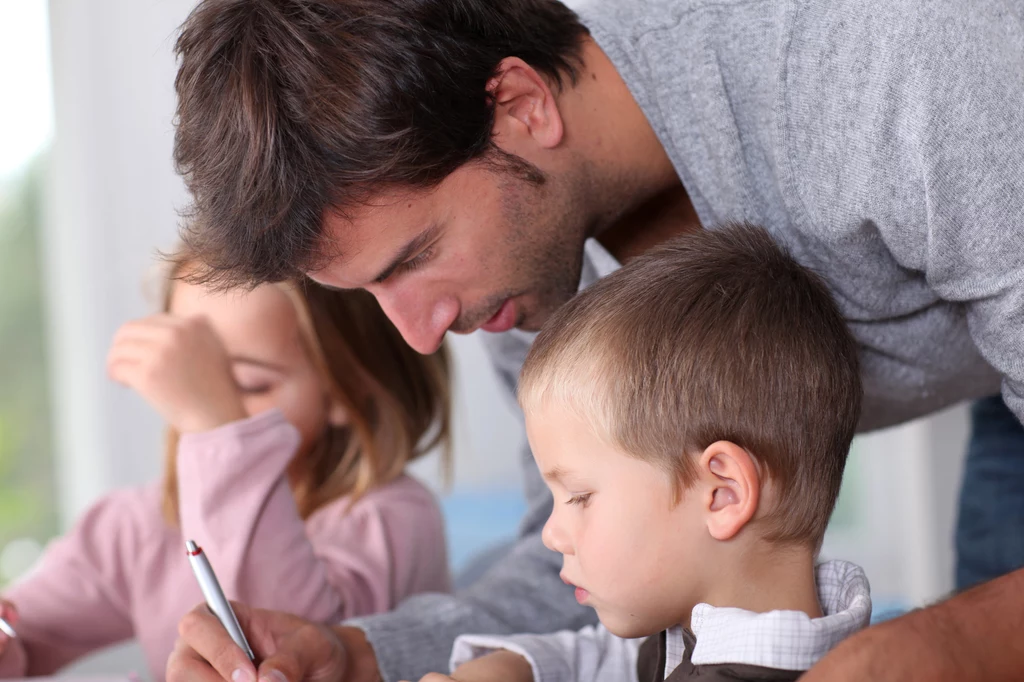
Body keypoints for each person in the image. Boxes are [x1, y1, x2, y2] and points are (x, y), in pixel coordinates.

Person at [166, 0, 1024, 680]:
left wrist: (946, 644)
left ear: (524, 104)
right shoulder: (525, 274)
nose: (421, 334)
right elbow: (587, 571)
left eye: (415, 258)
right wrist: (358, 655)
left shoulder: (895, 68)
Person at [412, 225, 872, 682]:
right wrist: (505, 670)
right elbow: (594, 658)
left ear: (722, 494)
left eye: (578, 496)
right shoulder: (690, 623)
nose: (552, 536)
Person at [0, 246, 452, 680]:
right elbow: (26, 634)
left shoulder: (390, 518)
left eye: (247, 384)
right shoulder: (137, 527)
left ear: (346, 387)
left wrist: (216, 426)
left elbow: (288, 656)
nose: (210, 402)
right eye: (196, 379)